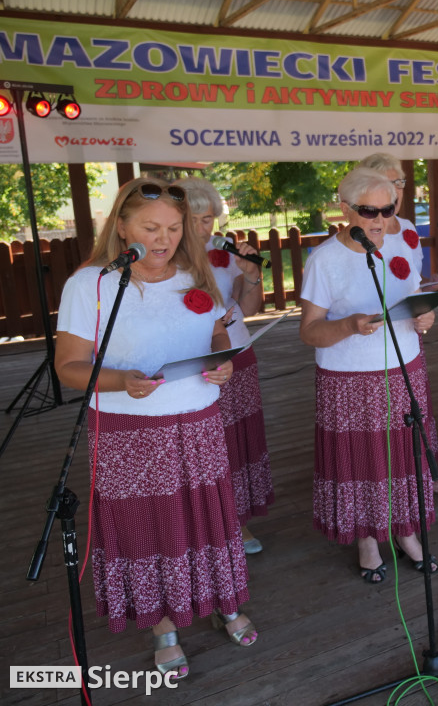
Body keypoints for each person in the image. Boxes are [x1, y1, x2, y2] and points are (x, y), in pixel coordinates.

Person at [54, 177, 257, 681]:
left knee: (204, 519)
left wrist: (223, 366)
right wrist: (121, 380)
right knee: (154, 525)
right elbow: (69, 367)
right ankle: (163, 625)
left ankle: (220, 601)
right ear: (121, 227)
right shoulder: (91, 284)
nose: (163, 239)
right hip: (129, 430)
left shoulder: (196, 274)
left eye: (172, 228)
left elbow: (214, 337)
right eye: (150, 227)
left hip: (197, 422)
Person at [299, 167, 438, 583]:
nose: (379, 220)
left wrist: (425, 314)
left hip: (403, 364)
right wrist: (349, 325)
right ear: (344, 210)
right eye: (367, 211)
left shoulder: (396, 245)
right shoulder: (325, 260)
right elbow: (309, 331)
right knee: (363, 459)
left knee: (402, 451)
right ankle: (366, 538)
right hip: (349, 378)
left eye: (387, 209)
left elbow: (413, 296)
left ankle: (406, 529)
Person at [179, 177, 274, 554]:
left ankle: (238, 521)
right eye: (198, 219)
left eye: (211, 219)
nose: (208, 228)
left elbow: (246, 309)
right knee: (207, 447)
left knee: (237, 443)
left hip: (236, 356)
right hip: (195, 365)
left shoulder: (225, 252)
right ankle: (208, 524)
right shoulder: (165, 259)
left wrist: (251, 275)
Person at [357, 153, 438, 492]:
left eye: (401, 182)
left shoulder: (408, 230)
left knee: (414, 406)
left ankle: (420, 469)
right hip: (371, 342)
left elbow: (415, 284)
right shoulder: (363, 233)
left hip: (408, 336)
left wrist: (426, 309)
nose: (398, 189)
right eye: (390, 183)